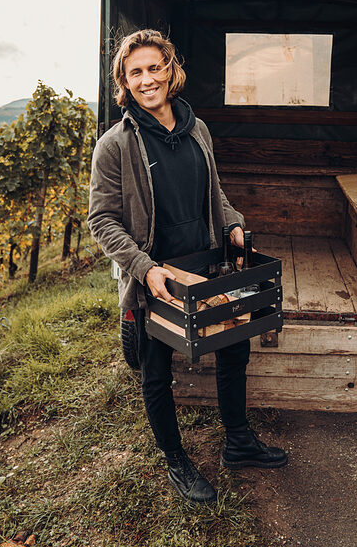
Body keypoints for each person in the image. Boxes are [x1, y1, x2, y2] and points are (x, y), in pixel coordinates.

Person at [88, 29, 287, 503]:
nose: (146, 79)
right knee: (155, 369)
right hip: (156, 276)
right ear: (124, 82)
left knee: (234, 346)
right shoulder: (114, 147)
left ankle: (238, 442)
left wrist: (234, 224)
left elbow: (213, 192)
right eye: (135, 72)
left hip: (206, 266)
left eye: (154, 67)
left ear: (170, 70)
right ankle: (176, 460)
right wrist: (143, 268)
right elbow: (101, 220)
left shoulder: (198, 130)